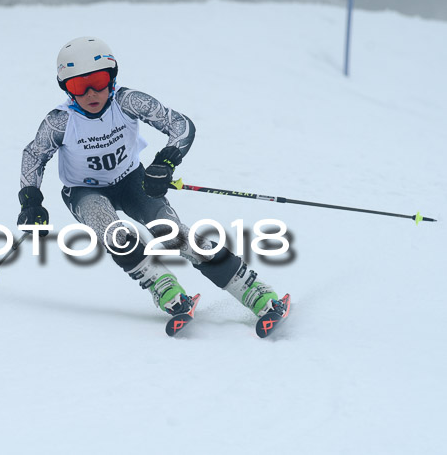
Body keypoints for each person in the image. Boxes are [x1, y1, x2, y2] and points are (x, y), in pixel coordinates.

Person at [18, 36, 283, 319]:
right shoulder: (59, 122)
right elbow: (34, 156)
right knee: (112, 231)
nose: (91, 93)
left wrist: (165, 162)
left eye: (98, 80)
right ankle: (161, 285)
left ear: (112, 78)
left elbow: (179, 124)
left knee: (171, 232)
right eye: (78, 86)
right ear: (66, 89)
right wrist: (31, 202)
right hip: (84, 191)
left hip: (132, 180)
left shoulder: (128, 101)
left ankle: (252, 290)